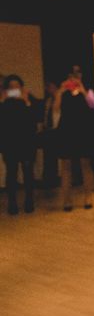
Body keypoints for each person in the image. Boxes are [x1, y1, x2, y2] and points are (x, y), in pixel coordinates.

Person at [54, 65, 94, 211]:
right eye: (72, 73)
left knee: (86, 164)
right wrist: (60, 90)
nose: (75, 75)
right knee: (66, 166)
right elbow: (56, 108)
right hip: (66, 129)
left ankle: (88, 197)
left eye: (78, 72)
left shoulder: (88, 89)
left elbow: (92, 105)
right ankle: (67, 200)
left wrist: (82, 88)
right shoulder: (63, 91)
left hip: (83, 129)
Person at [0, 75, 38, 214]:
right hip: (10, 142)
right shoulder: (4, 101)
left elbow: (35, 117)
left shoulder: (28, 99)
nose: (14, 89)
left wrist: (27, 101)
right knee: (11, 173)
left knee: (28, 172)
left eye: (17, 86)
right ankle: (12, 203)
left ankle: (29, 201)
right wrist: (2, 101)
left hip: (27, 141)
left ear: (21, 87)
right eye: (11, 87)